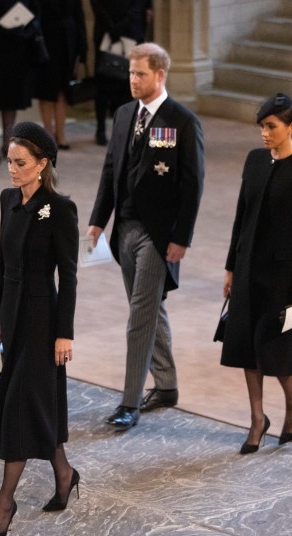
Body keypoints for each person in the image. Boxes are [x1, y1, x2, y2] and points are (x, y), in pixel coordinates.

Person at [87, 42, 204, 430]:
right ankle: (166, 385)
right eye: (130, 73)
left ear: (160, 75)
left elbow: (193, 184)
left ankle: (130, 402)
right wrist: (98, 220)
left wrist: (181, 238)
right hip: (126, 229)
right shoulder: (123, 115)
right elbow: (109, 171)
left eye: (140, 74)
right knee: (151, 307)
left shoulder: (182, 121)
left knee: (139, 316)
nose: (132, 80)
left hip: (159, 235)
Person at [0, 121, 79, 536]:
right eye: (9, 161)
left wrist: (65, 333)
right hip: (12, 319)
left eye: (21, 163)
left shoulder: (60, 209)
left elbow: (70, 277)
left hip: (43, 322)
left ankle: (5, 502)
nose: (12, 170)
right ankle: (65, 474)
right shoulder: (7, 201)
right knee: (36, 405)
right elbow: (4, 264)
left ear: (42, 164)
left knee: (21, 408)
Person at [222, 94, 292, 454]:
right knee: (247, 345)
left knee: (275, 348)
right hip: (248, 266)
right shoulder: (254, 161)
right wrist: (230, 267)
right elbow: (241, 216)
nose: (264, 133)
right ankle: (257, 419)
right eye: (262, 127)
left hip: (285, 275)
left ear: (291, 127)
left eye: (271, 127)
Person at [0, 0, 42, 164]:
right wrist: (1, 28)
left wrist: (27, 30)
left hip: (18, 48)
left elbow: (36, 14)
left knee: (12, 97)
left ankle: (8, 143)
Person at [89, 0, 151, 146]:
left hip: (130, 34)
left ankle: (125, 130)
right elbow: (96, 4)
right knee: (103, 85)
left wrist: (119, 27)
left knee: (128, 86)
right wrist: (111, 27)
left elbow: (138, 5)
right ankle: (100, 130)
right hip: (105, 34)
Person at [34, 0, 86, 149]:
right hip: (46, 42)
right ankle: (48, 134)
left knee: (63, 90)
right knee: (46, 90)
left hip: (68, 42)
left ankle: (61, 134)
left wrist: (83, 49)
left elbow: (79, 16)